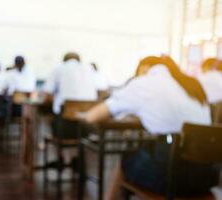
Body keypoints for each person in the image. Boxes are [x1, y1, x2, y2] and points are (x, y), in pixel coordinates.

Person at [81, 56, 219, 199]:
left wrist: (83, 115)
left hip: (170, 178)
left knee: (127, 157)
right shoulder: (192, 85)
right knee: (146, 150)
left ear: (145, 68)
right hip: (206, 177)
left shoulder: (145, 82)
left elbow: (93, 116)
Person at [43, 52, 98, 168]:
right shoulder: (90, 70)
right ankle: (78, 159)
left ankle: (60, 158)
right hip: (88, 128)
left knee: (53, 117)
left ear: (64, 60)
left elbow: (47, 96)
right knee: (75, 120)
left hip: (64, 129)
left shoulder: (59, 69)